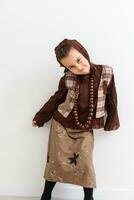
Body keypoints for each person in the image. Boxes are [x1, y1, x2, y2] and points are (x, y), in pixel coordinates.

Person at [32, 38, 120, 200]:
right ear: (66, 68)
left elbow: (111, 99)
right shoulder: (67, 78)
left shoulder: (106, 73)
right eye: (71, 66)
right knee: (55, 161)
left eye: (79, 60)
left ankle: (88, 197)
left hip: (85, 128)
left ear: (84, 52)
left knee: (86, 163)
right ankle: (46, 195)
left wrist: (112, 120)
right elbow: (57, 99)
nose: (78, 67)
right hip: (62, 125)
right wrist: (41, 117)